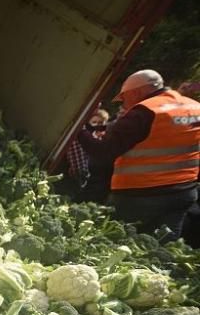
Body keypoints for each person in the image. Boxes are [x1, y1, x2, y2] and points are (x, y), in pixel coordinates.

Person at [77, 69, 200, 241]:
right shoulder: (194, 108)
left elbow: (103, 152)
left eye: (124, 98)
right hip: (183, 194)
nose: (124, 105)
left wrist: (78, 130)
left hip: (139, 196)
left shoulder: (144, 112)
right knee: (160, 250)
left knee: (113, 244)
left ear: (137, 92)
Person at [66, 109, 111, 203]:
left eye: (101, 122)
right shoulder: (84, 140)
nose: (98, 125)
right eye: (94, 122)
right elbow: (79, 166)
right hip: (85, 181)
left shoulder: (106, 139)